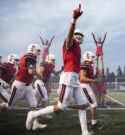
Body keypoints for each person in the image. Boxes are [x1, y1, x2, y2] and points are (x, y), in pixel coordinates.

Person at [26, 5, 91, 135]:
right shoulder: (70, 42)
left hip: (74, 78)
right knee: (60, 107)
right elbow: (70, 35)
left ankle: (85, 132)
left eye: (79, 36)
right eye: (77, 35)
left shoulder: (77, 47)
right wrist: (73, 20)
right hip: (68, 77)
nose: (78, 37)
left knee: (83, 104)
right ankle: (33, 114)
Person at [0, 43, 47, 130]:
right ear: (32, 49)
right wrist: (40, 75)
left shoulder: (30, 57)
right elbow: (31, 71)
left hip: (27, 86)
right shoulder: (30, 56)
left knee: (33, 104)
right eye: (38, 50)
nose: (39, 52)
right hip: (20, 85)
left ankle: (35, 123)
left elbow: (29, 72)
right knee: (8, 106)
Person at [34, 53, 63, 118]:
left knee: (38, 100)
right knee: (45, 99)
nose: (53, 61)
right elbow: (39, 72)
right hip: (39, 82)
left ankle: (37, 113)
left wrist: (61, 69)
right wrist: (43, 78)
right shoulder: (45, 64)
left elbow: (56, 73)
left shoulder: (51, 66)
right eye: (52, 59)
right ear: (48, 59)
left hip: (42, 83)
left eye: (54, 60)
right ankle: (42, 114)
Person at [80, 51, 102, 129]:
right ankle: (94, 123)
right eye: (92, 57)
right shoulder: (85, 65)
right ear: (87, 57)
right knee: (93, 104)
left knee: (84, 105)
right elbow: (82, 78)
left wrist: (96, 74)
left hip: (85, 86)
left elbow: (90, 78)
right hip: (84, 86)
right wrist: (95, 81)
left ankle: (64, 106)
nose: (93, 59)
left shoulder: (89, 65)